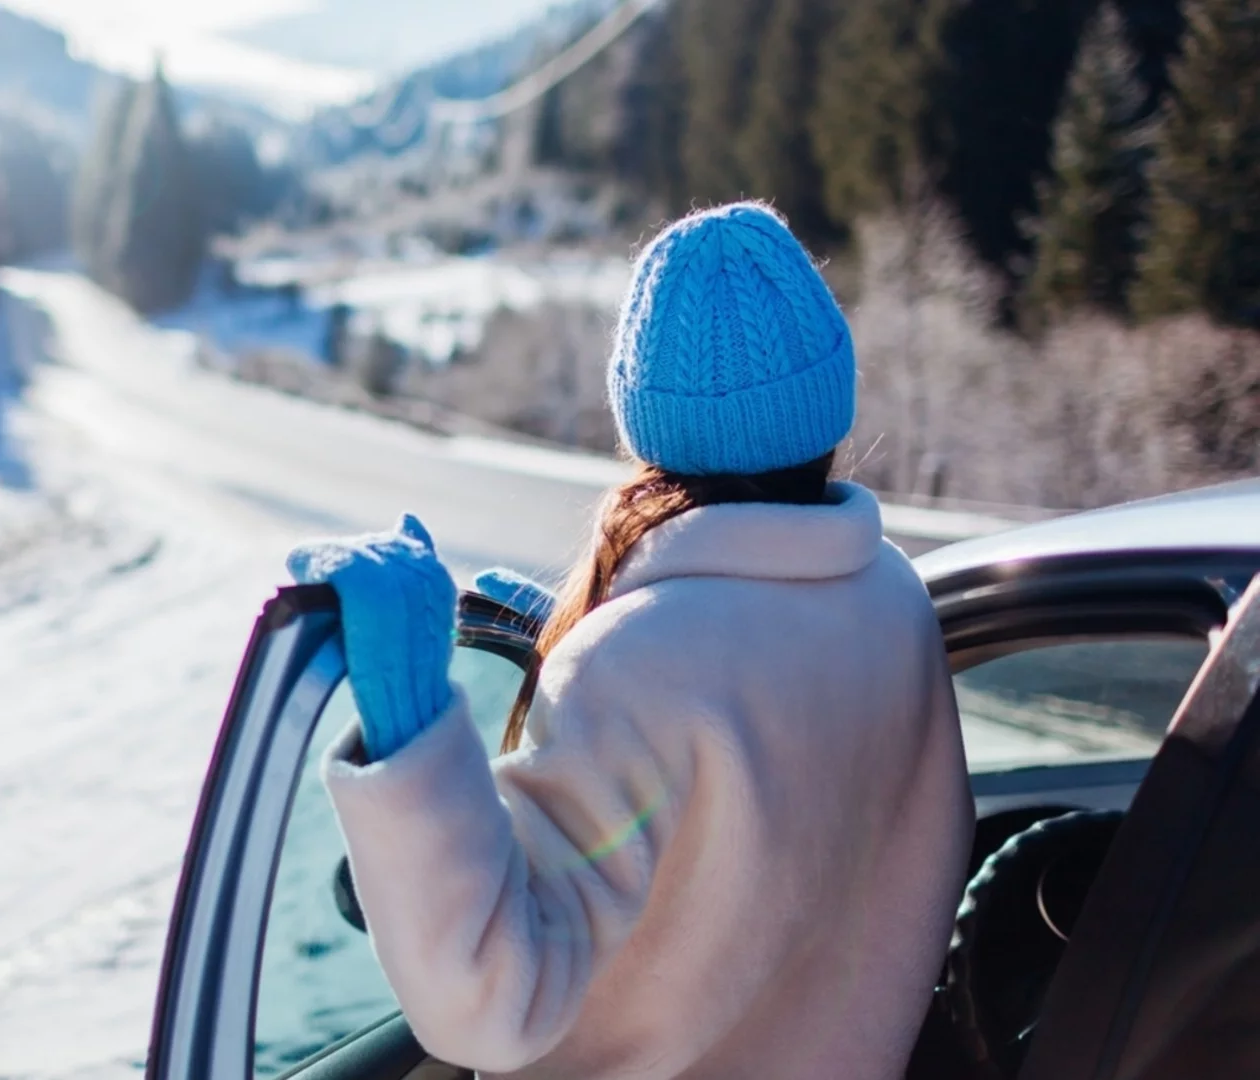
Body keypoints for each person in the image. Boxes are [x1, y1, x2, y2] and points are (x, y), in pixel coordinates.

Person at [288, 203, 974, 1080]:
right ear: (829, 395)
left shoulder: (633, 670)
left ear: (641, 416)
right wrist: (591, 657)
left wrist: (413, 732)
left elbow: (491, 1011)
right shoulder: (895, 599)